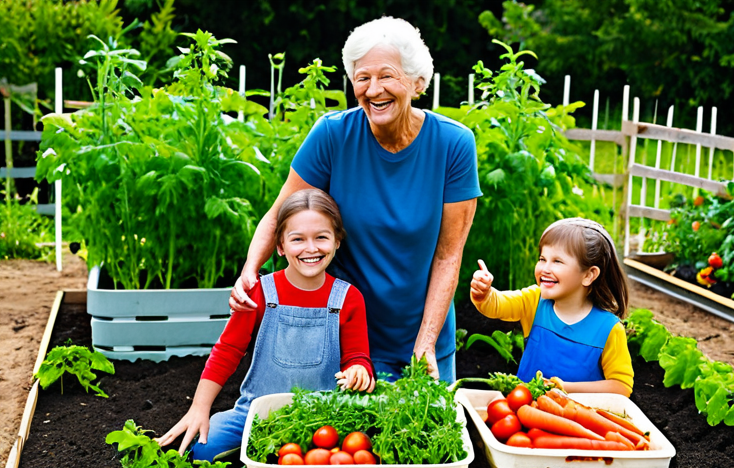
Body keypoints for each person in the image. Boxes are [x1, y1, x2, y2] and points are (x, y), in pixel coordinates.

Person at [229, 17, 481, 383]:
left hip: (421, 337)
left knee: (425, 436)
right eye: (362, 77)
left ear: (417, 82)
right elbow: (280, 213)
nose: (373, 89)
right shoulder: (333, 135)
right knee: (343, 440)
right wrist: (251, 268)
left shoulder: (453, 145)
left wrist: (425, 343)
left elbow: (448, 255)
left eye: (387, 76)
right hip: (343, 337)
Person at [158, 189, 374, 461]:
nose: (311, 248)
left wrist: (359, 370)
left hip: (324, 417)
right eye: (298, 239)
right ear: (281, 246)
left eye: (322, 237)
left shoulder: (349, 298)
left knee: (358, 448)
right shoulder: (260, 292)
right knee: (203, 450)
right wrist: (199, 408)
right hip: (256, 413)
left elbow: (357, 356)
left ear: (337, 241)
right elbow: (227, 350)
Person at [470, 218, 634, 396]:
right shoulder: (534, 301)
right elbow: (498, 304)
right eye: (542, 259)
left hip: (574, 419)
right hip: (523, 410)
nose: (545, 268)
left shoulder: (608, 328)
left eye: (557, 261)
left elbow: (621, 386)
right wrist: (484, 294)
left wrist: (564, 388)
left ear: (588, 274)